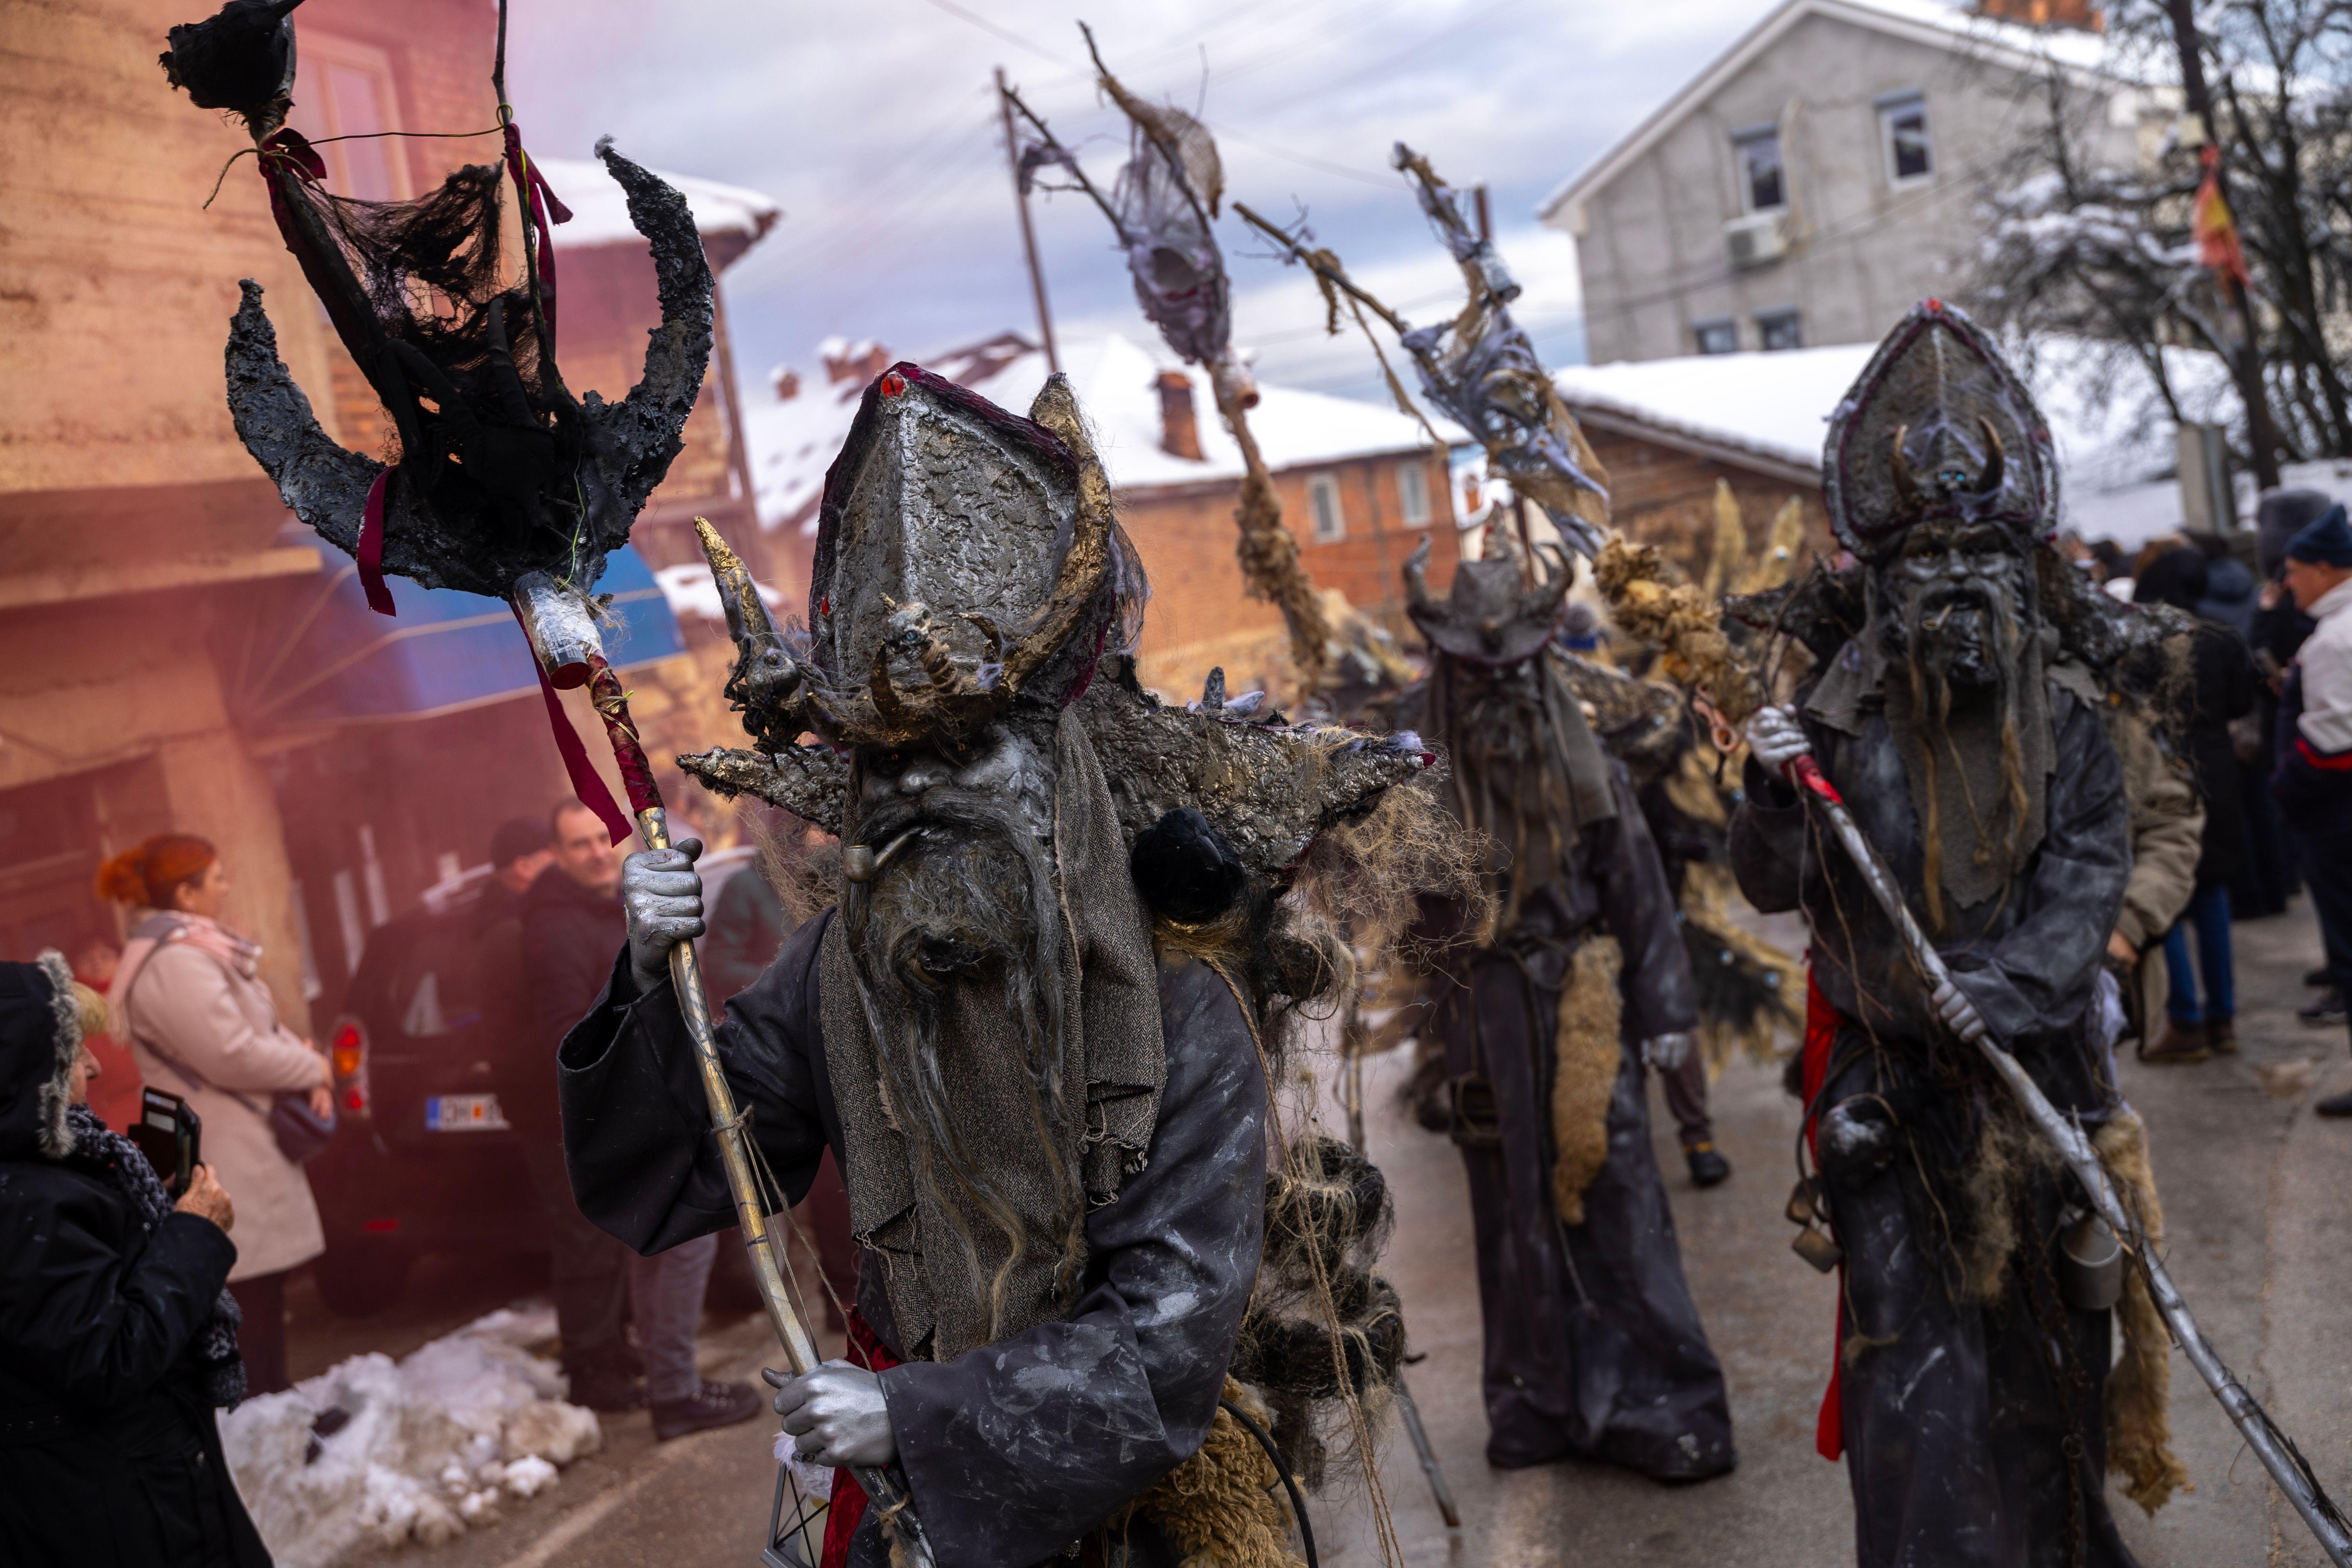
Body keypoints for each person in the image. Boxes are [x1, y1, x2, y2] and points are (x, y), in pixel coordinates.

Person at [563, 367, 1436, 1567]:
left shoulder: (1177, 1003)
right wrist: (652, 980)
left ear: (1053, 772)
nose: (913, 793)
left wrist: (913, 1418)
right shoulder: (836, 970)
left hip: (1122, 1520)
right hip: (910, 1515)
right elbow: (680, 1176)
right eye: (885, 765)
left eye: (960, 752)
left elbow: (1164, 1346)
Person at [1733, 303, 2161, 1566]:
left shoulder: (2069, 717)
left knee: (2053, 1363)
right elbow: (1772, 882)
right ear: (1884, 583)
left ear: (2020, 577)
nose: (1958, 596)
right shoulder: (1839, 716)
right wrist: (1769, 792)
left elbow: (2094, 864)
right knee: (1919, 1393)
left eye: (1982, 570)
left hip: (2041, 1082)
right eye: (1927, 574)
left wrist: (2016, 981)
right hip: (1894, 1098)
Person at [1391, 539, 1733, 1481]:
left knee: (1616, 1193)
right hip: (1483, 1018)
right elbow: (1409, 922)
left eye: (1515, 673)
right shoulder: (1420, 784)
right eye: (1478, 674)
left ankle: (1664, 1399)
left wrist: (1666, 1010)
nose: (1498, 693)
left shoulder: (1595, 773)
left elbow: (1641, 891)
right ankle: (1537, 1402)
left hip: (1582, 1002)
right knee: (1508, 1211)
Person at [0, 952, 270, 1566]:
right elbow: (110, 1358)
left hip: (120, 1493)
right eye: (71, 1053)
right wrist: (193, 1235)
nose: (94, 1068)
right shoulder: (21, 1206)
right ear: (20, 1071)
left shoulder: (49, 1172)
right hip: (119, 1512)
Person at [523, 796, 760, 1436]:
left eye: (602, 839)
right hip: (634, 1104)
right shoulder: (556, 929)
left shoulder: (604, 907)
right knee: (686, 1243)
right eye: (577, 844)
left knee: (663, 1248)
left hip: (650, 1096)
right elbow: (572, 1030)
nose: (596, 853)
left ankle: (670, 1384)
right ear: (557, 855)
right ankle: (676, 1394)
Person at [101, 833, 330, 1399]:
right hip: (226, 1147)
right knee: (246, 1292)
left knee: (263, 1289)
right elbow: (228, 1052)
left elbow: (252, 1033)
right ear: (187, 892)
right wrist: (311, 1070)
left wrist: (303, 1058)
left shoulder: (190, 949)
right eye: (218, 878)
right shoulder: (175, 963)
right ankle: (262, 1422)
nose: (227, 888)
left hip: (238, 1138)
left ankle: (278, 1410)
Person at [2131, 549, 2257, 1062]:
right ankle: (2222, 1018)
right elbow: (2242, 704)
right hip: (2218, 772)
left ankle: (2185, 1020)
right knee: (2212, 896)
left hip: (2161, 769)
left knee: (2168, 898)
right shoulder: (2221, 635)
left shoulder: (2142, 639)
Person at [2268, 507, 2352, 1117]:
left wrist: (2285, 783)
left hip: (2337, 820)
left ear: (2326, 569)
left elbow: (2333, 739)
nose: (2289, 583)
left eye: (2296, 571)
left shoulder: (2333, 639)